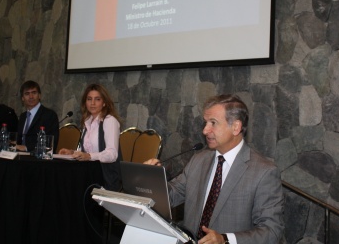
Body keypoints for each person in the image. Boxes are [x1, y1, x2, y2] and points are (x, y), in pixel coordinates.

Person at [145, 94, 284, 244]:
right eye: (205, 123)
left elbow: (272, 231)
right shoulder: (199, 160)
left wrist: (226, 239)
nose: (205, 130)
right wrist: (152, 179)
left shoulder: (264, 172)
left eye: (213, 123)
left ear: (235, 127)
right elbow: (171, 196)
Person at [59, 83, 122, 191]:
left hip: (106, 178)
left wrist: (88, 156)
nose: (92, 103)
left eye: (97, 99)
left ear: (104, 103)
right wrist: (72, 152)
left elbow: (112, 154)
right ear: (85, 102)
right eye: (89, 99)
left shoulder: (109, 120)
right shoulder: (87, 121)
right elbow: (87, 151)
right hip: (89, 175)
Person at [16, 80, 59, 152]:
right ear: (22, 98)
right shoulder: (23, 116)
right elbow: (19, 140)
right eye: (27, 94)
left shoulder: (49, 115)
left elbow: (51, 143)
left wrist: (26, 148)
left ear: (39, 95)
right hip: (20, 157)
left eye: (34, 93)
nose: (31, 97)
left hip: (38, 159)